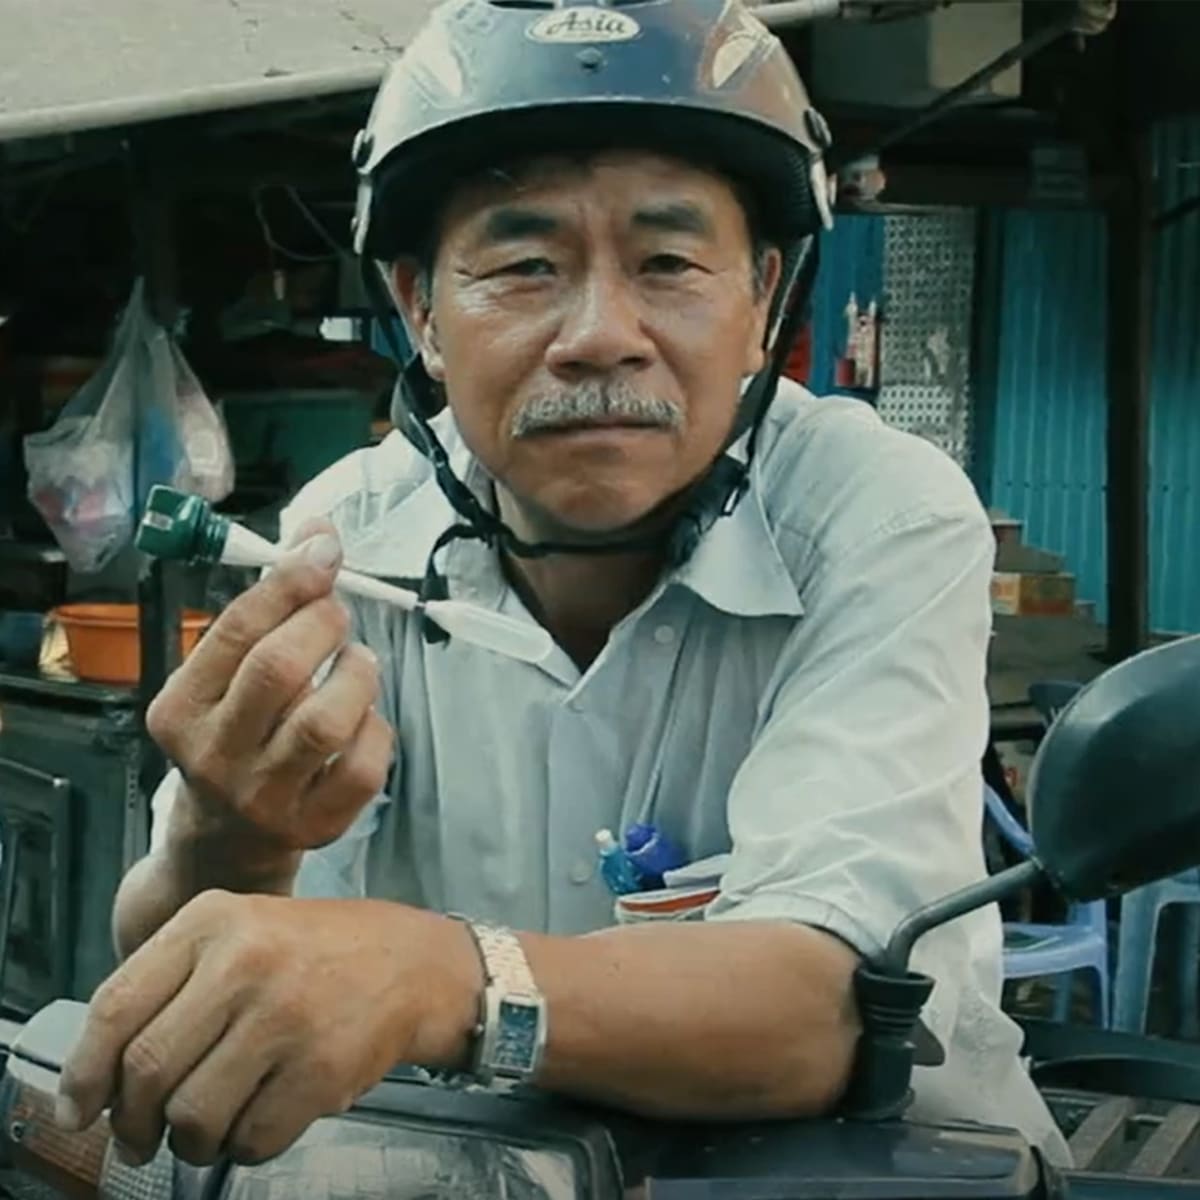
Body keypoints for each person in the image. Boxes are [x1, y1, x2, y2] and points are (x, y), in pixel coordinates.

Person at [55, 0, 1068, 1173]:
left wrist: (443, 976)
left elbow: (829, 1005)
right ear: (421, 312)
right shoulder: (349, 533)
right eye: (526, 266)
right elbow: (196, 956)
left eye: (671, 262)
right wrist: (227, 836)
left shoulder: (881, 515)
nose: (601, 335)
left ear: (765, 303)